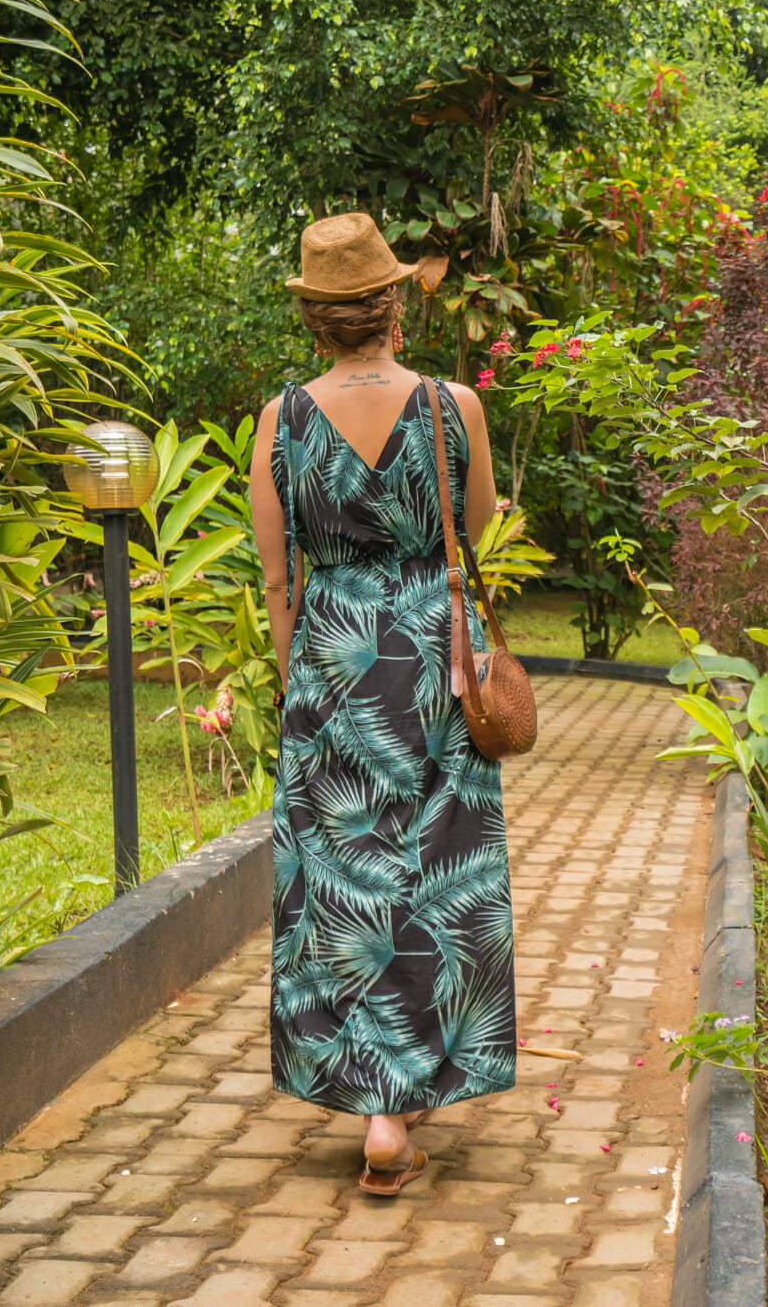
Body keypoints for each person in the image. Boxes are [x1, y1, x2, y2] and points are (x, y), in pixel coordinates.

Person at [249, 212, 511, 1196]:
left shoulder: (282, 419)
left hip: (331, 661)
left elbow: (276, 577)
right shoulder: (452, 408)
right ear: (391, 305)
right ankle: (405, 1105)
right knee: (437, 871)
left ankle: (373, 1107)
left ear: (314, 317)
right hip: (434, 656)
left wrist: (297, 687)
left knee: (344, 875)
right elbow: (475, 524)